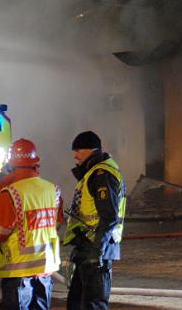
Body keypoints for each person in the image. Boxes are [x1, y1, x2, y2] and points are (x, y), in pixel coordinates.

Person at [0, 139, 64, 309]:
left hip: (18, 272)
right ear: (36, 164)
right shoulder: (53, 190)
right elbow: (56, 224)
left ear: (11, 165)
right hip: (45, 268)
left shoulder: (10, 193)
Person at [63, 130, 126, 310]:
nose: (75, 155)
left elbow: (109, 215)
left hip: (97, 247)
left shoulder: (101, 174)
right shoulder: (93, 172)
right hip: (88, 246)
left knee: (92, 304)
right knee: (78, 302)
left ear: (91, 150)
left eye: (78, 150)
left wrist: (97, 249)